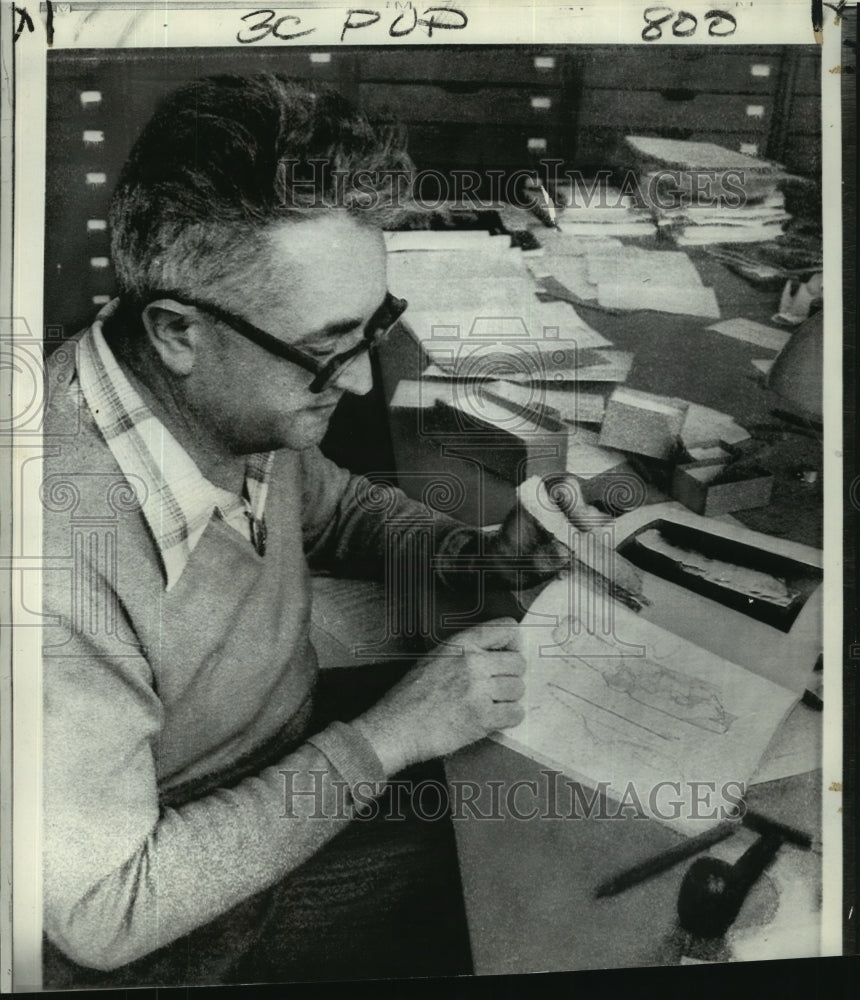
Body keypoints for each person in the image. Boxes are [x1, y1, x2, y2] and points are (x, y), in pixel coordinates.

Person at [41, 74, 566, 986]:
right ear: (175, 331)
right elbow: (104, 911)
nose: (360, 385)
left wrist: (473, 555)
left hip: (284, 756)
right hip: (183, 928)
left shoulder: (222, 398)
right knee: (544, 879)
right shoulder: (52, 566)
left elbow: (335, 508)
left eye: (374, 330)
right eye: (328, 351)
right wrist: (389, 739)